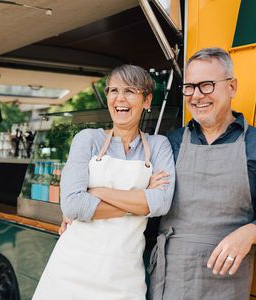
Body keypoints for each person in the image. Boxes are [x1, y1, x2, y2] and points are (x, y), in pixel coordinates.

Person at [148, 47, 256, 300]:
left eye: (206, 85)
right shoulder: (169, 144)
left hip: (226, 282)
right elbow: (143, 201)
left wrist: (250, 232)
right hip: (169, 279)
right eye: (190, 87)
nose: (197, 96)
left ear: (232, 87)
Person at [33, 64, 175, 300]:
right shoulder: (87, 140)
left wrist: (97, 191)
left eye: (130, 91)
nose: (120, 98)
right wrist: (139, 202)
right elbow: (72, 206)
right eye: (113, 90)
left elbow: (160, 203)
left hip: (124, 275)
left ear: (147, 100)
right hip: (72, 270)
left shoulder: (159, 145)